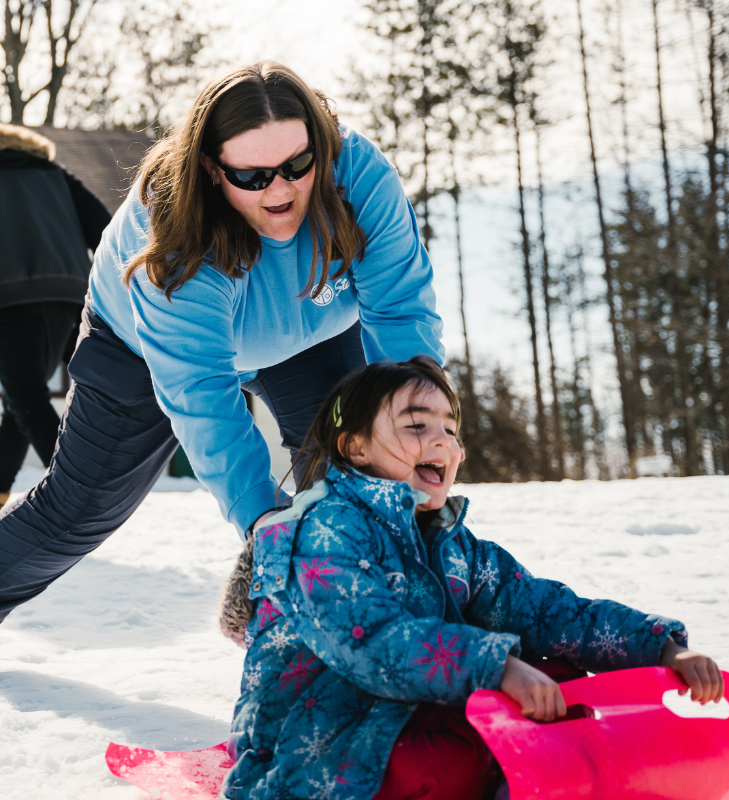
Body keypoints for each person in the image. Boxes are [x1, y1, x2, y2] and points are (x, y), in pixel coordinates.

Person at [0, 61, 443, 623]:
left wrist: (418, 432)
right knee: (78, 511)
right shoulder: (174, 234)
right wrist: (264, 524)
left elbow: (401, 310)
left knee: (364, 473)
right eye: (254, 177)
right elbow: (202, 392)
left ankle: (385, 635)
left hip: (310, 330)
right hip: (140, 350)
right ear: (212, 168)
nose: (281, 190)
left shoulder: (358, 178)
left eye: (297, 165)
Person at [218, 357, 725, 800]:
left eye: (449, 428)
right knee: (442, 768)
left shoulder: (450, 543)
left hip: (400, 712)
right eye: (417, 426)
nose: (441, 439)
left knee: (561, 681)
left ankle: (539, 772)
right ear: (355, 448)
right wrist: (496, 668)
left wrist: (660, 649)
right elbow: (369, 640)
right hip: (315, 741)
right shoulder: (327, 530)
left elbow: (544, 609)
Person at [0, 124, 111, 510]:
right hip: (71, 295)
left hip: (11, 297)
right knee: (21, 399)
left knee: (24, 394)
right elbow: (104, 227)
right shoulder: (54, 173)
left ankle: (71, 495)